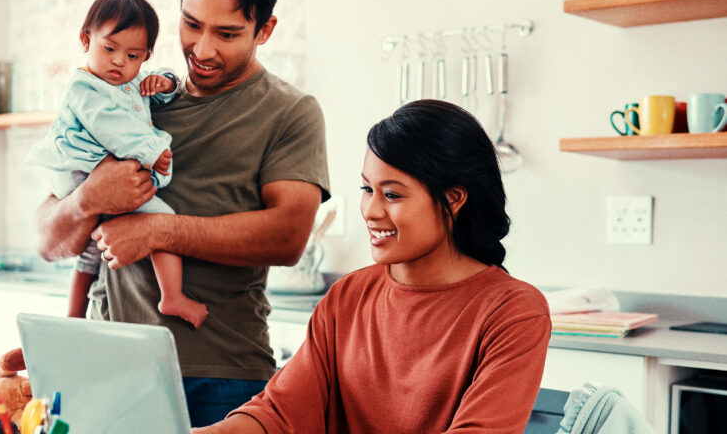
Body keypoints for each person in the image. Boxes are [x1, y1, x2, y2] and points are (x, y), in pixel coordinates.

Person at [32, 0, 330, 427]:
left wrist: (156, 233)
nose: (203, 49)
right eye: (191, 25)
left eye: (227, 34)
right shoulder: (134, 96)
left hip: (224, 375)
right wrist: (90, 198)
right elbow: (49, 241)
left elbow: (288, 237)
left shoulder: (290, 113)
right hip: (109, 364)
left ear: (265, 29)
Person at [197, 100, 552, 433]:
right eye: (367, 189)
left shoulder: (513, 312)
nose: (370, 211)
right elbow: (278, 412)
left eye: (393, 194)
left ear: (454, 199)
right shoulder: (348, 296)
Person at [26, 0, 209, 328]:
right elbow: (111, 127)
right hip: (80, 171)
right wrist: (151, 153)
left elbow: (156, 91)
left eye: (133, 55)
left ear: (145, 56)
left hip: (88, 171)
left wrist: (164, 82)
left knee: (92, 248)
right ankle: (173, 296)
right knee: (162, 218)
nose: (118, 62)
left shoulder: (130, 81)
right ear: (86, 39)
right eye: (109, 49)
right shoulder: (86, 86)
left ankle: (73, 318)